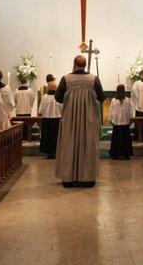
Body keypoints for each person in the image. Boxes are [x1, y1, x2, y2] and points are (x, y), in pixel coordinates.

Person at [55, 55, 105, 188]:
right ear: (85, 64)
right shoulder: (94, 79)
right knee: (88, 145)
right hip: (89, 119)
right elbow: (102, 97)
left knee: (69, 144)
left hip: (70, 119)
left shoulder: (66, 79)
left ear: (74, 64)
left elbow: (58, 98)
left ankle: (68, 178)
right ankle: (87, 178)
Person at [108, 84, 134, 160]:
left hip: (117, 123)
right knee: (125, 140)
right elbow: (130, 112)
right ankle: (126, 154)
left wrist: (110, 119)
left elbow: (111, 111)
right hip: (125, 123)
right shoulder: (127, 100)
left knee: (116, 139)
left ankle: (115, 155)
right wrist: (130, 120)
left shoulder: (113, 100)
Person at [38, 80, 62, 159]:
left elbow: (41, 109)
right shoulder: (58, 96)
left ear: (48, 88)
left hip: (47, 119)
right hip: (56, 119)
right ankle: (56, 152)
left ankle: (48, 153)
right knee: (56, 136)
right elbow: (61, 107)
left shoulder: (45, 97)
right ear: (55, 87)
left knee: (47, 136)